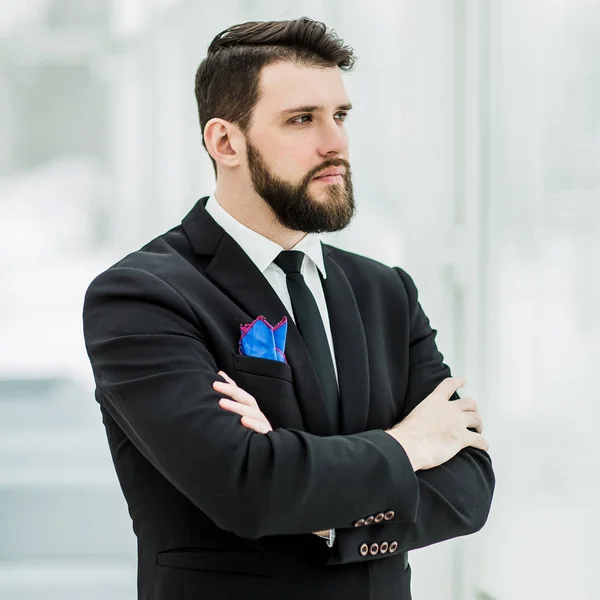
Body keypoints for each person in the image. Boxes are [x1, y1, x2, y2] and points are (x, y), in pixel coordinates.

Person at [82, 17, 494, 600]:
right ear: (226, 142)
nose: (336, 143)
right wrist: (409, 446)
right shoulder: (141, 296)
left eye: (340, 116)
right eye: (302, 119)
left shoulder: (387, 293)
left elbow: (468, 487)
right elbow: (246, 487)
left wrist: (321, 509)